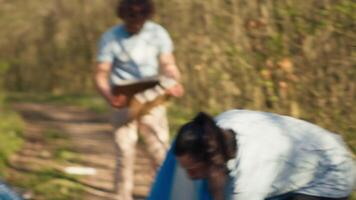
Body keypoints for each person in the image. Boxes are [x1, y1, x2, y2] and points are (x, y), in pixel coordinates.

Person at [149, 110, 355, 200]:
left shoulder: (249, 176)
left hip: (331, 172)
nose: (189, 177)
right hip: (301, 158)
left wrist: (219, 193)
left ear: (211, 163)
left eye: (192, 170)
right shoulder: (217, 128)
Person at [94, 0, 183, 199]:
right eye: (130, 18)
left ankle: (162, 195)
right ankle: (122, 196)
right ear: (123, 16)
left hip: (152, 99)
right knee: (125, 154)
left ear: (147, 16)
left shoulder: (158, 34)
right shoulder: (110, 38)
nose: (135, 22)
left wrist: (173, 81)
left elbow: (168, 63)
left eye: (140, 18)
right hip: (122, 101)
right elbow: (101, 73)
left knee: (160, 152)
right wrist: (109, 96)